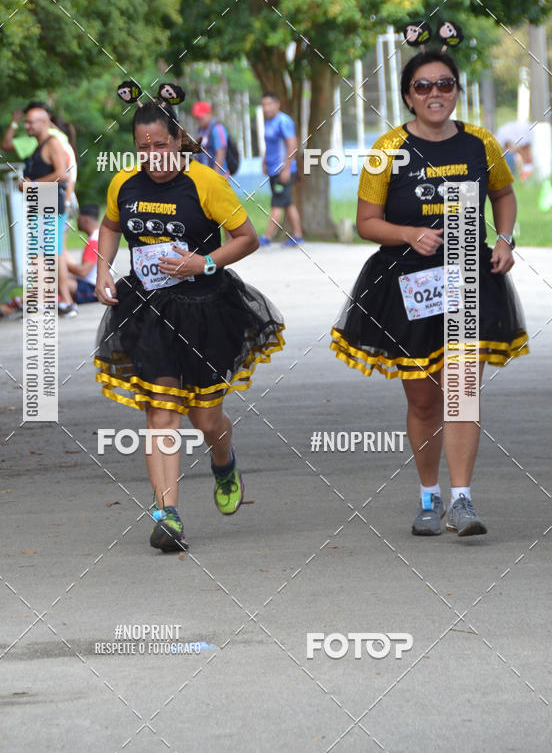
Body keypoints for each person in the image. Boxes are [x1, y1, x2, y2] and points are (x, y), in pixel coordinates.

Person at [330, 47, 529, 538]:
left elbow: (503, 195)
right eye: (424, 86)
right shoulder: (387, 149)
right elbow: (366, 222)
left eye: (445, 84)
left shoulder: (481, 143)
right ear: (407, 97)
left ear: (457, 92)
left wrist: (504, 239)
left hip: (468, 275)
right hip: (409, 285)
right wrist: (409, 234)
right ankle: (428, 496)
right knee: (424, 401)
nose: (435, 93)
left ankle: (462, 499)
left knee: (462, 391)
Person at [94, 84, 285, 553]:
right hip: (148, 309)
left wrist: (204, 263)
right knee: (161, 411)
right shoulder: (124, 183)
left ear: (178, 140)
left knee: (206, 418)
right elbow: (111, 226)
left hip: (204, 307)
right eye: (143, 148)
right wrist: (102, 268)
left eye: (160, 145)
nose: (152, 155)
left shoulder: (205, 182)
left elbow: (248, 237)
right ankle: (167, 514)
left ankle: (223, 459)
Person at [18, 102, 76, 316]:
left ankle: (42, 301)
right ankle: (66, 302)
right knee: (54, 253)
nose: (27, 125)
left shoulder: (52, 144)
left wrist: (32, 185)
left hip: (49, 202)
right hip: (44, 202)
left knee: (39, 254)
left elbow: (63, 174)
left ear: (44, 123)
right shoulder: (38, 146)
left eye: (31, 121)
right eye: (26, 121)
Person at [258, 92, 304, 246]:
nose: (266, 108)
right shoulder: (268, 122)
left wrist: (286, 168)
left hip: (283, 170)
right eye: (264, 105)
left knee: (277, 203)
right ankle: (298, 235)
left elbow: (292, 145)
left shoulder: (283, 121)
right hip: (272, 169)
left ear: (277, 104)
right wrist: (264, 161)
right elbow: (270, 145)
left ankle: (267, 237)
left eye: (269, 104)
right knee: (288, 203)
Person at [66, 204, 100, 304]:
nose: (76, 221)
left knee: (57, 281)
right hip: (89, 285)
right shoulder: (98, 236)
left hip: (91, 289)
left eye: (78, 217)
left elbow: (83, 271)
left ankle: (22, 301)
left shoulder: (95, 240)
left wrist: (60, 264)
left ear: (86, 220)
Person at [192, 100, 228, 175]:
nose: (199, 120)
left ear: (209, 114)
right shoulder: (201, 130)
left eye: (201, 117)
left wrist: (215, 175)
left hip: (218, 174)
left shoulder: (217, 128)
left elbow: (221, 152)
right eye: (197, 118)